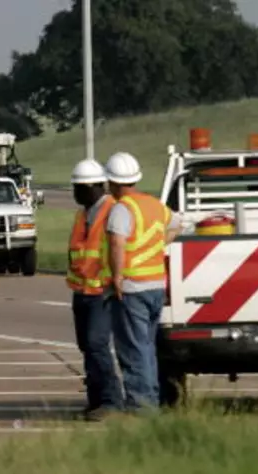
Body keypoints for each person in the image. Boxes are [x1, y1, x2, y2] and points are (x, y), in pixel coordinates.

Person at [104, 152, 180, 411]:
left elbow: (117, 242)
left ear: (112, 183)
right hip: (156, 284)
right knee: (146, 347)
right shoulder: (154, 205)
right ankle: (150, 397)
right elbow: (177, 224)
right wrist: (156, 245)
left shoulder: (121, 209)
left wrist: (116, 276)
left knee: (133, 349)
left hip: (132, 287)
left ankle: (141, 405)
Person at [66, 159, 123, 421]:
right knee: (87, 347)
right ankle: (96, 401)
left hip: (101, 291)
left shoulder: (112, 210)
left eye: (79, 187)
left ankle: (111, 401)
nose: (75, 193)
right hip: (82, 290)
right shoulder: (83, 214)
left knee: (97, 344)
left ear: (94, 187)